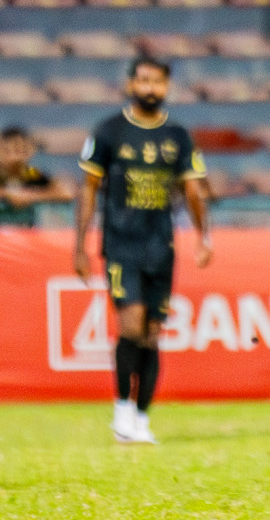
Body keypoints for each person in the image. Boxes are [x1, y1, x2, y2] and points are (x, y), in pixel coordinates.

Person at [74, 57, 213, 444]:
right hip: (121, 243)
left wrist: (204, 236)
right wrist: (80, 246)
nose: (150, 88)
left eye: (157, 82)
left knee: (153, 335)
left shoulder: (179, 136)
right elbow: (87, 189)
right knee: (131, 325)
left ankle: (141, 417)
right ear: (131, 83)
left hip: (161, 246)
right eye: (144, 80)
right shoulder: (109, 131)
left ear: (167, 87)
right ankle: (121, 409)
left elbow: (192, 190)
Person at [0, 126, 73, 227]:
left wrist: (29, 196)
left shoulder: (30, 173)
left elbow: (66, 193)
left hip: (24, 234)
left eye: (23, 150)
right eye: (14, 150)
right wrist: (7, 194)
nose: (19, 155)